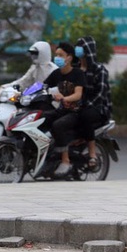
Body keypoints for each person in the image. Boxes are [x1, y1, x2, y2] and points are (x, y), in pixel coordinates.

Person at [43, 41, 85, 177]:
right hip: (61, 110)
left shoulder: (77, 74)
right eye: (56, 55)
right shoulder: (56, 74)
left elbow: (78, 95)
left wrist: (63, 98)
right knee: (40, 117)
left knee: (58, 125)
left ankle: (65, 161)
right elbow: (41, 86)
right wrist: (22, 93)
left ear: (69, 58)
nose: (57, 58)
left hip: (75, 112)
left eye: (61, 55)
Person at [75, 36, 112, 169]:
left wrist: (84, 105)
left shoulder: (99, 70)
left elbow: (101, 94)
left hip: (98, 108)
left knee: (85, 115)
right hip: (78, 106)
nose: (77, 50)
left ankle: (92, 153)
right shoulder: (76, 69)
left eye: (81, 47)